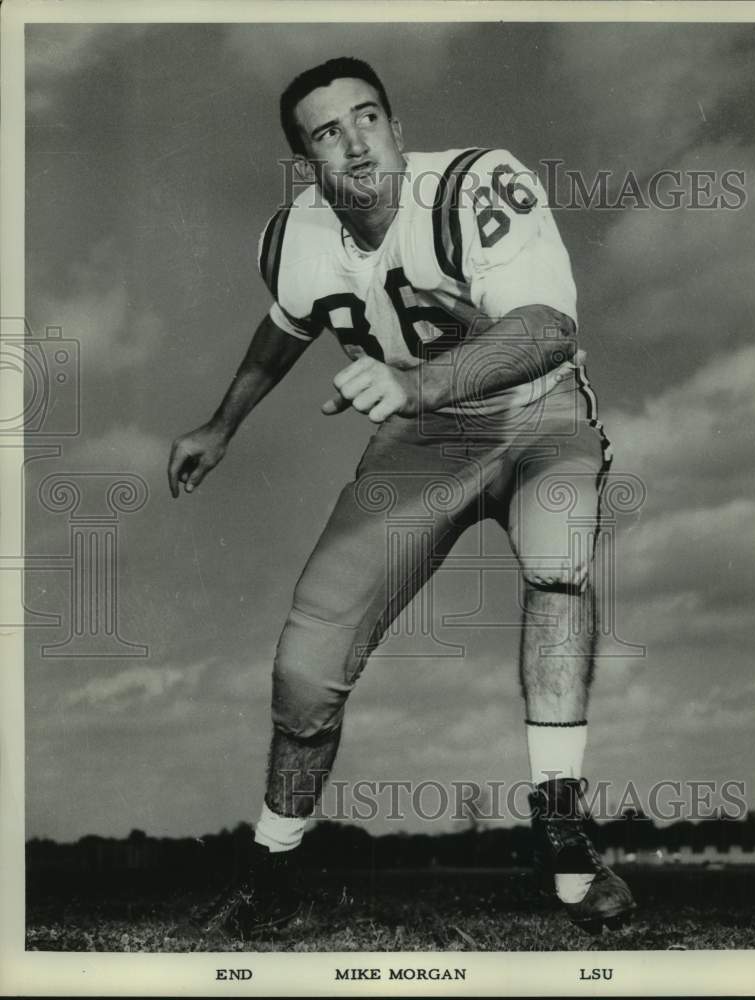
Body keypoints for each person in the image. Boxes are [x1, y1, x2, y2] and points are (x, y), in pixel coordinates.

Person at [167, 56, 635, 939]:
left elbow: (545, 328)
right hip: (424, 440)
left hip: (536, 416)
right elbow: (289, 320)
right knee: (309, 658)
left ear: (397, 125)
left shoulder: (474, 185)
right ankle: (274, 869)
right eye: (327, 132)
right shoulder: (295, 235)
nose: (354, 142)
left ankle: (563, 836)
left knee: (557, 565)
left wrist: (418, 385)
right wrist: (222, 423)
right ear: (306, 160)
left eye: (367, 117)